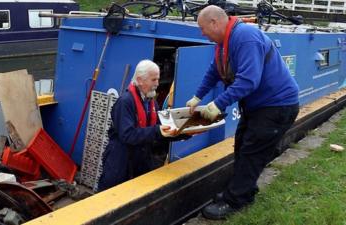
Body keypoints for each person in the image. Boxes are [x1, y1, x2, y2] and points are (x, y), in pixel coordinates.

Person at [186, 5, 299, 220]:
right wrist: (198, 97)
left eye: (202, 29)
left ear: (214, 23)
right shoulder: (223, 42)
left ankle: (235, 201)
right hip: (258, 107)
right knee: (241, 146)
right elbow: (214, 70)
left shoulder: (246, 38)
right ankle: (244, 191)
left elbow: (248, 80)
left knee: (251, 153)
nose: (202, 34)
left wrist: (217, 104)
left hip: (276, 106)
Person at [98, 59, 182, 191]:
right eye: (153, 80)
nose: (157, 84)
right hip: (120, 163)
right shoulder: (125, 102)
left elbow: (161, 129)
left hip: (141, 160)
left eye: (158, 79)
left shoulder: (151, 102)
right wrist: (157, 131)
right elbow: (128, 135)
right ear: (140, 80)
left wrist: (182, 132)